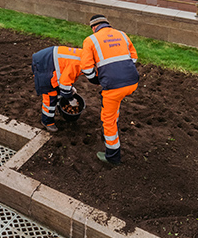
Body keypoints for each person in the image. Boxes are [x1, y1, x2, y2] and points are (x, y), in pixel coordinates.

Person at [65, 14, 139, 165]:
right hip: (132, 82)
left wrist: (96, 80)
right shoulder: (122, 35)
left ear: (94, 27)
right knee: (115, 105)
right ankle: (115, 117)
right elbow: (134, 58)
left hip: (113, 87)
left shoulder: (90, 40)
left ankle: (112, 156)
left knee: (108, 120)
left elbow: (86, 68)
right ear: (107, 24)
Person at [31, 46, 83, 132]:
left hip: (49, 60)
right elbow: (64, 84)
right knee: (50, 96)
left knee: (58, 90)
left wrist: (70, 88)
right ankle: (47, 122)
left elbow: (67, 73)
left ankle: (59, 109)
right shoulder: (79, 64)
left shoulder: (84, 57)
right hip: (44, 65)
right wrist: (70, 98)